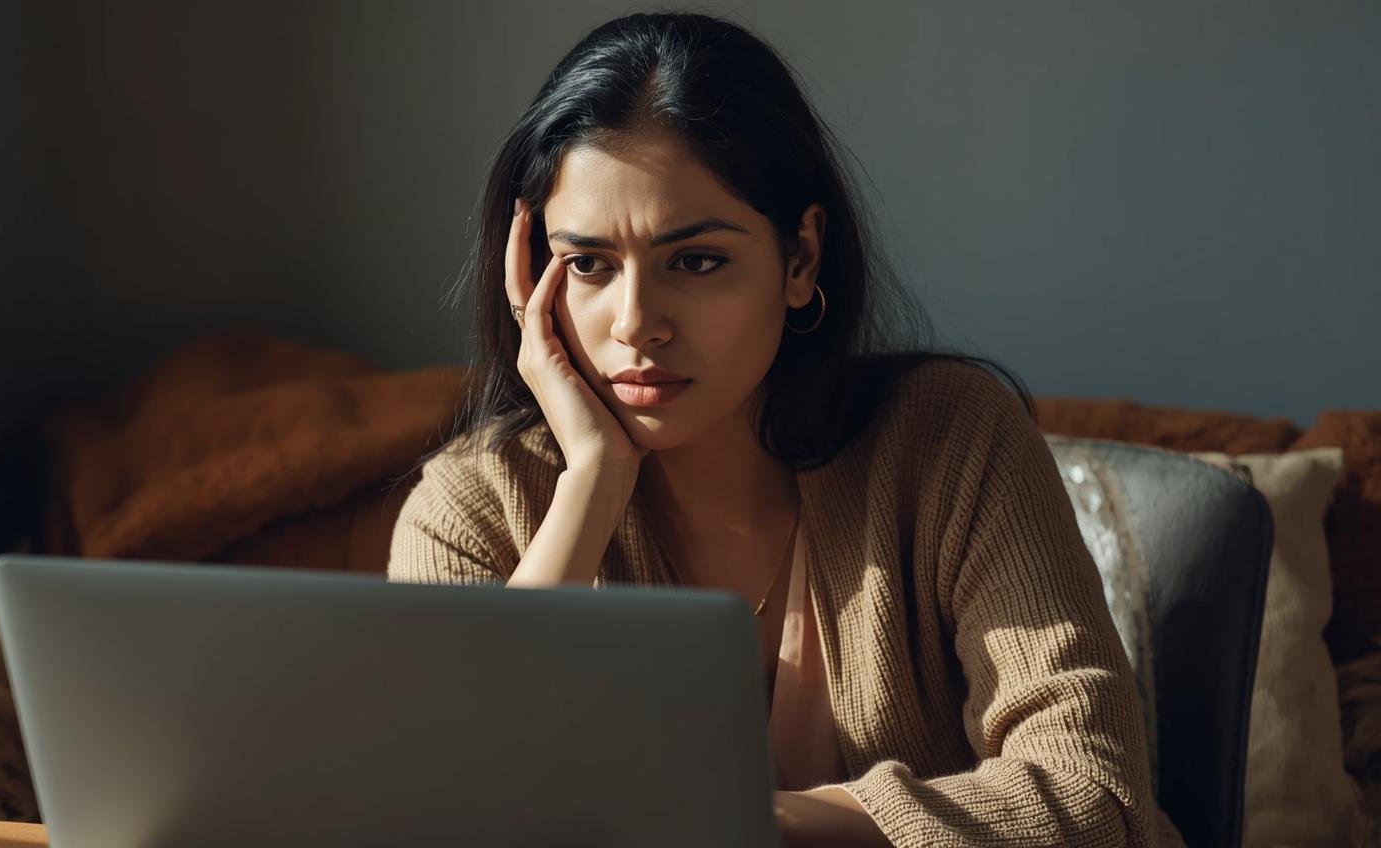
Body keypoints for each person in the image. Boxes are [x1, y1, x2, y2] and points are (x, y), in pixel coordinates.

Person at [387, 11, 1185, 847]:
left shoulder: (949, 440)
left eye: (695, 262)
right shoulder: (471, 508)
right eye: (587, 264)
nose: (635, 324)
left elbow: (1096, 803)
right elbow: (442, 808)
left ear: (800, 258)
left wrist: (738, 827)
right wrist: (590, 485)